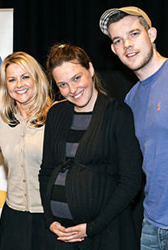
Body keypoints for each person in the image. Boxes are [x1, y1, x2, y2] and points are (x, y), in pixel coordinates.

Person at [38, 43, 142, 250]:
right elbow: (46, 171)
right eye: (63, 85)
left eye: (77, 78)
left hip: (106, 235)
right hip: (62, 237)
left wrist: (92, 227)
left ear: (91, 70)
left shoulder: (118, 113)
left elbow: (131, 181)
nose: (72, 90)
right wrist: (50, 220)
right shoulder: (56, 114)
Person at [99, 6, 168, 250]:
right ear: (113, 49)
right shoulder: (131, 99)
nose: (127, 44)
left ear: (152, 34)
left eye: (134, 34)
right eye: (118, 40)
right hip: (151, 224)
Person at [0, 51, 53, 250]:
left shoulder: (57, 116)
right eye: (12, 79)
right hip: (13, 219)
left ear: (37, 79)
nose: (19, 84)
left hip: (50, 217)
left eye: (25, 77)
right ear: (5, 86)